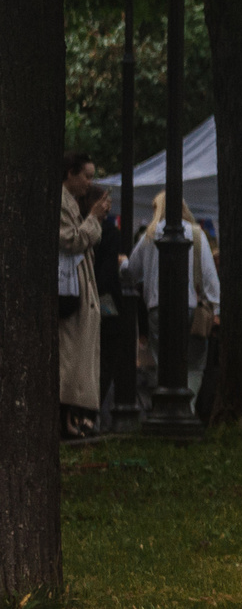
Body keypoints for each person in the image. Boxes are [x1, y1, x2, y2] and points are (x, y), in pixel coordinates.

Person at [125, 192, 219, 395]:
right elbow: (210, 279)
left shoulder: (148, 236)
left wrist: (122, 262)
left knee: (163, 361)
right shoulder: (196, 234)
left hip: (157, 309)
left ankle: (164, 406)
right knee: (193, 364)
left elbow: (131, 271)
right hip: (192, 309)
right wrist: (216, 308)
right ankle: (189, 407)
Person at [59, 160, 107, 438]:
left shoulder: (70, 203)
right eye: (86, 176)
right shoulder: (63, 204)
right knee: (68, 360)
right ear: (70, 173)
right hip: (68, 289)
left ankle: (69, 417)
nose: (89, 182)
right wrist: (93, 219)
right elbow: (72, 240)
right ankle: (65, 419)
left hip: (75, 288)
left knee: (73, 361)